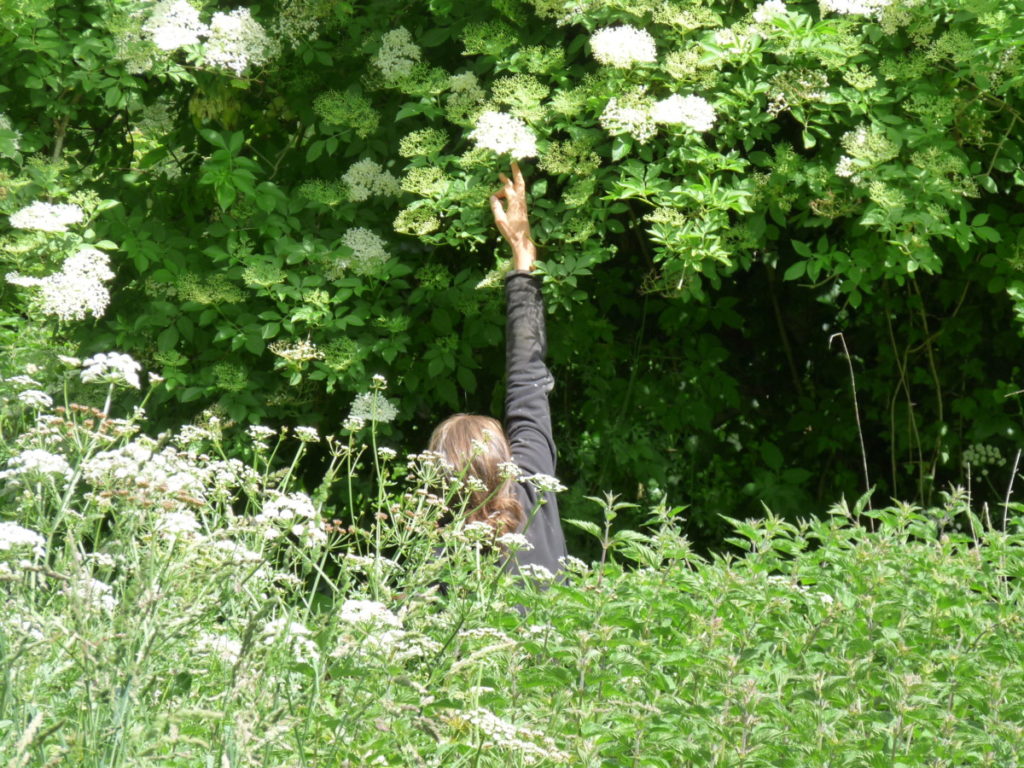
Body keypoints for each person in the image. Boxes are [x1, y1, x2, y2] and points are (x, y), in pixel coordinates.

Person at [427, 161, 568, 577]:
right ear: (504, 457)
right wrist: (522, 262)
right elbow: (527, 379)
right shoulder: (533, 484)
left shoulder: (437, 559)